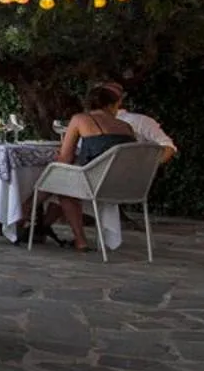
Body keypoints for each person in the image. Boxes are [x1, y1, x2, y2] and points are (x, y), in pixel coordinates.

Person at [46, 85, 137, 253]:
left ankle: (80, 240)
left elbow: (65, 159)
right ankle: (36, 223)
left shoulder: (80, 119)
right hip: (124, 185)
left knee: (59, 186)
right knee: (56, 182)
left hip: (94, 183)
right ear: (113, 104)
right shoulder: (126, 127)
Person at [98, 81, 178, 162]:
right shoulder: (140, 120)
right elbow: (168, 146)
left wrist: (146, 167)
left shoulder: (139, 121)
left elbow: (167, 147)